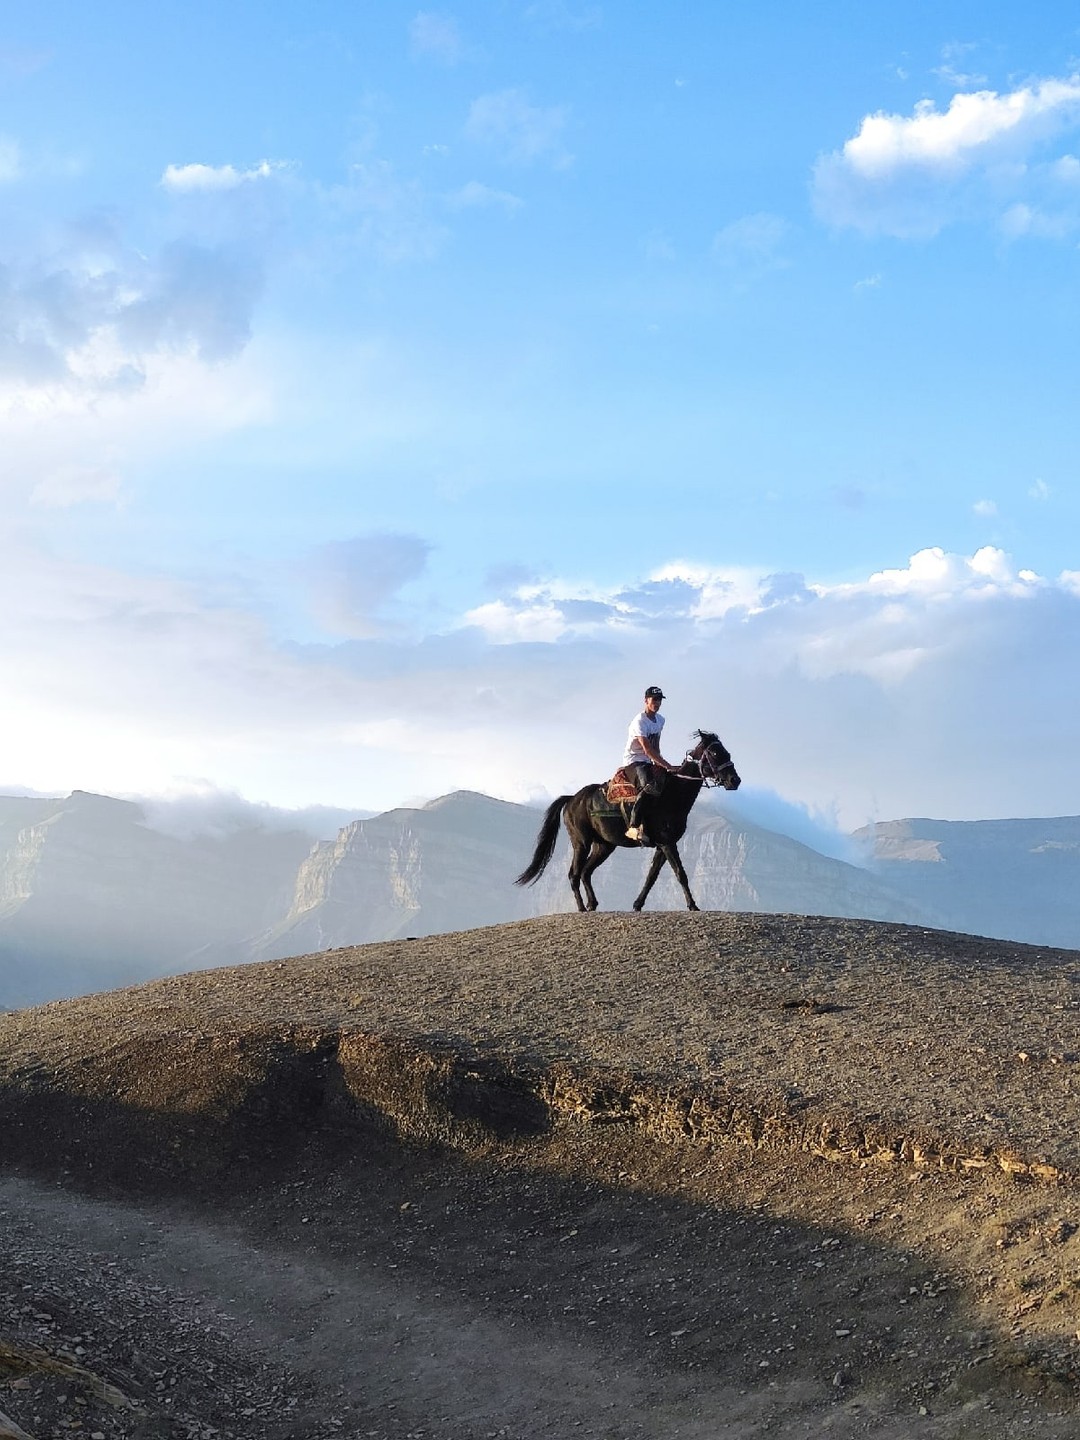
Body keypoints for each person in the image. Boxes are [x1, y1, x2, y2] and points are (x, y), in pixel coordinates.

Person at [621, 685, 678, 843]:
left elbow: (655, 745)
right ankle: (633, 826)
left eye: (659, 700)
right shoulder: (639, 721)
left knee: (666, 782)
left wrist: (659, 764)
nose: (657, 703)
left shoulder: (660, 720)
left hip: (648, 760)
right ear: (646, 700)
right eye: (654, 699)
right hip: (634, 761)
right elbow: (647, 748)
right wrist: (667, 765)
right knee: (648, 785)